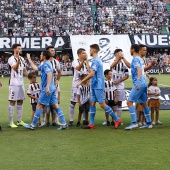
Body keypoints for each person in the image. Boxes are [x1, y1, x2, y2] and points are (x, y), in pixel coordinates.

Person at [77, 44, 122, 129]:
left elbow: (92, 74)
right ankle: (91, 124)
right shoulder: (95, 60)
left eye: (90, 50)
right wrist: (86, 60)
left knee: (102, 104)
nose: (89, 52)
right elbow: (90, 70)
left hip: (98, 85)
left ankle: (117, 119)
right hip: (94, 85)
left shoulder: (96, 61)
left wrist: (81, 82)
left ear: (93, 51)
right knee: (92, 103)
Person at [24, 51, 67, 130]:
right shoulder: (45, 63)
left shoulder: (46, 64)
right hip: (52, 88)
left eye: (41, 54)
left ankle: (33, 125)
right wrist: (29, 59)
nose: (40, 55)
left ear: (44, 56)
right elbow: (36, 68)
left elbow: (49, 74)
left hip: (47, 88)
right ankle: (64, 123)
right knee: (55, 105)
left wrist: (47, 87)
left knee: (39, 105)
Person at [125, 44, 152, 130]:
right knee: (144, 104)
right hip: (144, 83)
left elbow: (139, 70)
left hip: (139, 83)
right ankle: (149, 123)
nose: (130, 51)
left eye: (130, 49)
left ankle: (134, 123)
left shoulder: (135, 59)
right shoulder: (140, 59)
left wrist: (137, 82)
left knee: (129, 102)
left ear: (133, 49)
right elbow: (141, 69)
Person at [69, 48, 90, 126]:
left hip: (85, 84)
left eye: (85, 53)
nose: (85, 54)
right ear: (79, 54)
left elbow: (89, 70)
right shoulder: (75, 61)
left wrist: (86, 60)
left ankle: (84, 120)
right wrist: (82, 61)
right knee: (73, 102)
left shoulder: (86, 62)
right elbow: (78, 68)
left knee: (84, 102)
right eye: (83, 53)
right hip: (76, 84)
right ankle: (71, 120)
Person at [8, 44, 28, 128]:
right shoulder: (11, 59)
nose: (21, 50)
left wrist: (30, 79)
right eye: (19, 49)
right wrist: (18, 60)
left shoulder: (22, 59)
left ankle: (19, 121)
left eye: (21, 48)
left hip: (21, 83)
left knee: (20, 101)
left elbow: (24, 70)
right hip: (14, 84)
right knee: (12, 102)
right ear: (14, 50)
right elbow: (15, 68)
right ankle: (11, 122)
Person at [110, 49, 129, 121]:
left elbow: (127, 76)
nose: (121, 54)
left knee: (119, 103)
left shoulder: (124, 64)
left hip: (120, 85)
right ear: (115, 54)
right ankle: (110, 120)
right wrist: (118, 58)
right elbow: (111, 66)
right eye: (119, 53)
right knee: (111, 103)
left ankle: (118, 119)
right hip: (112, 85)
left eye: (121, 53)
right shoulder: (111, 62)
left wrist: (119, 80)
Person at [45, 45, 61, 127]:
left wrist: (57, 80)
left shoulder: (56, 62)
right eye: (51, 50)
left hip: (55, 85)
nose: (53, 52)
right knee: (47, 104)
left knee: (56, 103)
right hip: (47, 85)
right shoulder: (44, 62)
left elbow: (59, 72)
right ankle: (46, 121)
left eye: (54, 50)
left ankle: (55, 121)